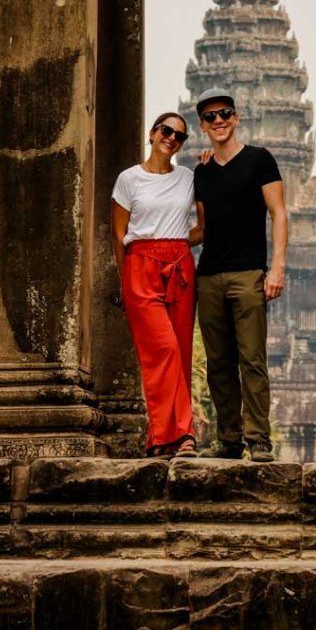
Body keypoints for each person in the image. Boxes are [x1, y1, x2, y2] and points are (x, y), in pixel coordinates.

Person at [194, 87, 288, 462]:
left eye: (224, 114)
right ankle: (229, 440)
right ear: (202, 126)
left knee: (251, 358)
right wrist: (150, 242)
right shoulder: (201, 172)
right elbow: (202, 229)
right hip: (209, 275)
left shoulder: (259, 160)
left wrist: (276, 268)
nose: (218, 121)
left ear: (236, 118)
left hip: (249, 274)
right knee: (218, 363)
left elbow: (278, 213)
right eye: (210, 117)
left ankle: (258, 439)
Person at [112, 112, 203, 458]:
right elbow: (118, 235)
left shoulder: (189, 178)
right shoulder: (129, 179)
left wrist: (173, 243)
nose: (172, 138)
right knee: (161, 350)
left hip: (179, 266)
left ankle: (161, 438)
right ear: (152, 133)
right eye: (166, 131)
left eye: (180, 136)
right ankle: (183, 434)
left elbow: (202, 229)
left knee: (179, 351)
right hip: (140, 265)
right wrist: (125, 280)